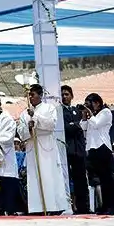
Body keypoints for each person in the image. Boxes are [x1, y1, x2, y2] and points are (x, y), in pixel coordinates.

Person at [18, 84, 71, 215]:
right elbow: (20, 131)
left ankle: (53, 206)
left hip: (46, 146)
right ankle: (36, 207)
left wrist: (35, 118)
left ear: (40, 95)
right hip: (32, 145)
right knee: (34, 176)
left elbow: (51, 124)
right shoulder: (24, 113)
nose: (30, 97)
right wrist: (28, 128)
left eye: (33, 95)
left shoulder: (49, 108)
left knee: (49, 175)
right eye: (29, 95)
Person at [80, 92, 114, 215]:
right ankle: (104, 205)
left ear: (97, 103)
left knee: (108, 178)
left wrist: (90, 114)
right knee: (100, 179)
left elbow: (96, 124)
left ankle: (112, 206)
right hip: (92, 148)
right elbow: (83, 127)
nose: (88, 107)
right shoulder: (92, 115)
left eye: (89, 104)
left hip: (103, 147)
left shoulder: (106, 112)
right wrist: (85, 116)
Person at [61, 85, 90, 214]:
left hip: (79, 150)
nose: (64, 97)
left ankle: (83, 207)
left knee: (81, 180)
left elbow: (84, 125)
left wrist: (76, 125)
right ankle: (67, 206)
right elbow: (67, 128)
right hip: (66, 150)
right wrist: (77, 125)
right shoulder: (59, 111)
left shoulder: (77, 111)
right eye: (62, 94)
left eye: (67, 94)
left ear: (72, 96)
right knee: (66, 179)